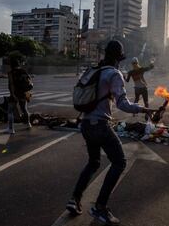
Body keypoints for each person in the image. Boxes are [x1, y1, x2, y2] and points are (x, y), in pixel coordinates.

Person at [66, 40, 157, 225]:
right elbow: (123, 104)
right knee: (120, 162)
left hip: (85, 124)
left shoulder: (93, 70)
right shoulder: (114, 74)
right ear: (118, 58)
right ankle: (100, 208)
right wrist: (144, 110)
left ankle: (74, 199)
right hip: (100, 126)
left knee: (93, 162)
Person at [6, 57, 32, 134]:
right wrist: (27, 93)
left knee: (10, 111)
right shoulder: (23, 71)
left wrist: (13, 94)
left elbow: (11, 84)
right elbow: (29, 82)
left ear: (11, 65)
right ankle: (28, 124)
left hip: (15, 94)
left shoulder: (11, 73)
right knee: (24, 109)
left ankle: (11, 129)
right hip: (23, 93)